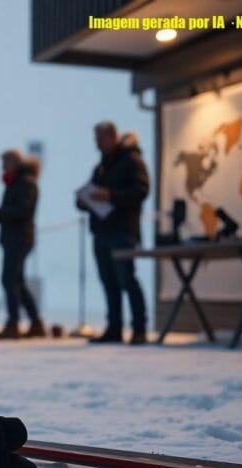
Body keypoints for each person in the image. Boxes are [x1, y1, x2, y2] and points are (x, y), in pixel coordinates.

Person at [77, 122, 149, 345]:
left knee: (127, 279)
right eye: (95, 139)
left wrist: (112, 196)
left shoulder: (131, 161)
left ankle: (139, 329)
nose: (97, 144)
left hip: (123, 231)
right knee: (108, 281)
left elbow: (141, 190)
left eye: (100, 139)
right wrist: (83, 200)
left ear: (112, 136)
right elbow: (89, 192)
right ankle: (114, 328)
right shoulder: (101, 167)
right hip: (101, 231)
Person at [0, 149, 47, 340]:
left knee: (9, 279)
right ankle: (35, 323)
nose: (2, 167)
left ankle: (13, 324)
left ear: (15, 162)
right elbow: (13, 212)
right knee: (17, 281)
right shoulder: (16, 182)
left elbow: (22, 212)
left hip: (19, 238)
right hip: (14, 238)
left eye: (5, 162)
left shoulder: (25, 183)